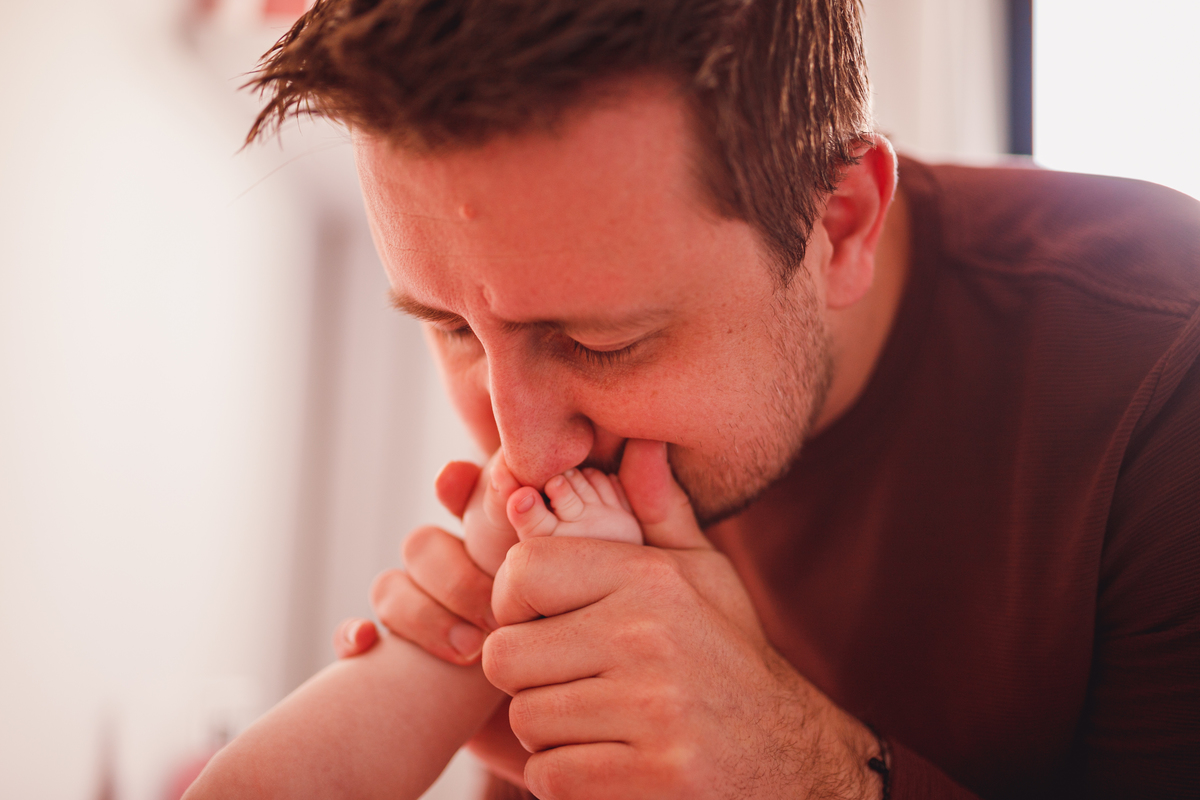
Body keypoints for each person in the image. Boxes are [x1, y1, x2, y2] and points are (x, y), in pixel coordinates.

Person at [238, 0, 1200, 797]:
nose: (524, 453)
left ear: (841, 224)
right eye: (452, 328)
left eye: (599, 342)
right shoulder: (589, 461)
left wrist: (810, 778)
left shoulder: (1160, 367)